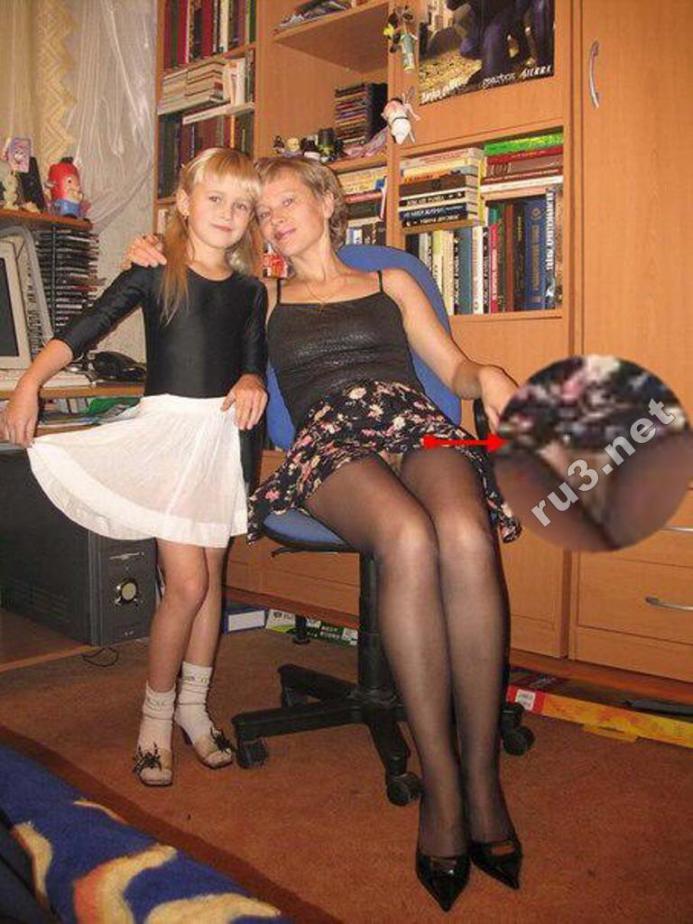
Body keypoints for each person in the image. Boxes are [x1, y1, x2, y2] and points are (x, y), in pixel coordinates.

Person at [127, 155, 523, 910]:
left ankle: (482, 780)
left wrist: (492, 376)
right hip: (331, 440)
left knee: (466, 533)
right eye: (263, 211)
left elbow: (455, 369)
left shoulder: (391, 281)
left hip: (410, 420)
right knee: (408, 537)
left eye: (285, 202)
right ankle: (442, 789)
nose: (272, 219)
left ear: (326, 202)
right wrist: (152, 249)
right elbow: (193, 283)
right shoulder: (261, 294)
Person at [0, 148, 268, 788]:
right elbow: (86, 326)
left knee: (211, 578)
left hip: (221, 441)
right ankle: (154, 717)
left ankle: (193, 708)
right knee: (187, 585)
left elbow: (253, 358)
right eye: (215, 199)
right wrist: (30, 384)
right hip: (169, 439)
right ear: (185, 203)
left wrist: (253, 378)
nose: (227, 213)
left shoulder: (252, 290)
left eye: (241, 205)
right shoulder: (153, 270)